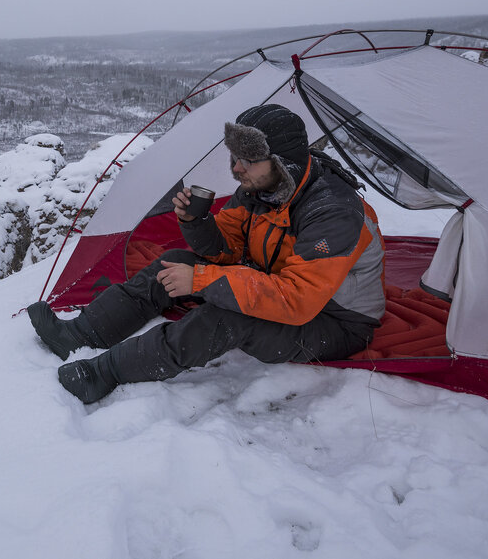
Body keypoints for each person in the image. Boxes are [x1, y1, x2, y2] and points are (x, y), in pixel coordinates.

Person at [27, 103, 386, 404]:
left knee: (225, 318)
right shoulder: (264, 186)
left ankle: (105, 373)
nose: (236, 168)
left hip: (334, 320)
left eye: (248, 159)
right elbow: (225, 249)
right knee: (173, 266)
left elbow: (298, 300)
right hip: (276, 282)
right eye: (234, 157)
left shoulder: (332, 212)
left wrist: (201, 280)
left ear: (282, 162)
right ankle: (79, 336)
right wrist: (197, 222)